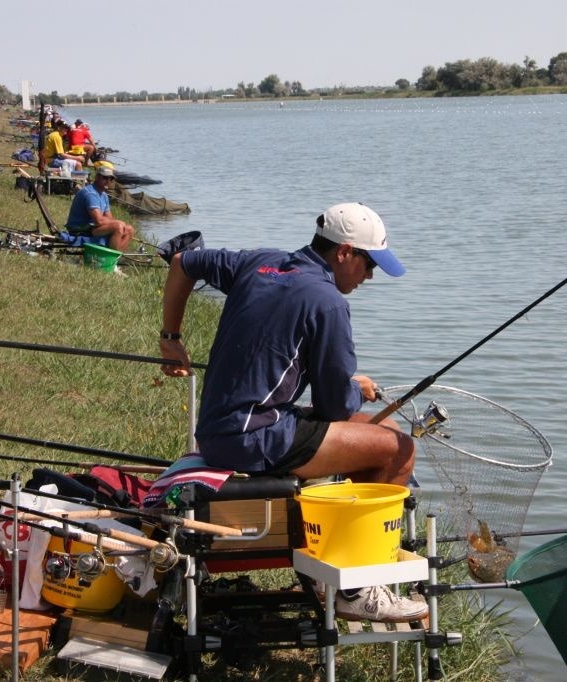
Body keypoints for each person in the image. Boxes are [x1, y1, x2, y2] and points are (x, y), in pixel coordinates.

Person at [159, 202, 428, 623]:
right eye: (368, 264)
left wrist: (169, 337)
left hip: (220, 427)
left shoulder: (261, 263)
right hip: (252, 437)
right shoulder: (328, 303)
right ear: (344, 253)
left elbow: (182, 262)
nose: (370, 276)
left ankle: (338, 568)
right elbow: (333, 407)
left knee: (382, 428)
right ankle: (356, 589)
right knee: (398, 450)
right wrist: (355, 388)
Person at [64, 166, 133, 251]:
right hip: (80, 229)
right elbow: (99, 221)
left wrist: (120, 224)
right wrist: (119, 223)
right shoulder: (90, 194)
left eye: (110, 179)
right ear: (97, 177)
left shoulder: (104, 195)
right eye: (105, 178)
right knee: (118, 227)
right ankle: (109, 258)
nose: (108, 181)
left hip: (93, 227)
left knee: (129, 229)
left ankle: (116, 257)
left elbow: (109, 218)